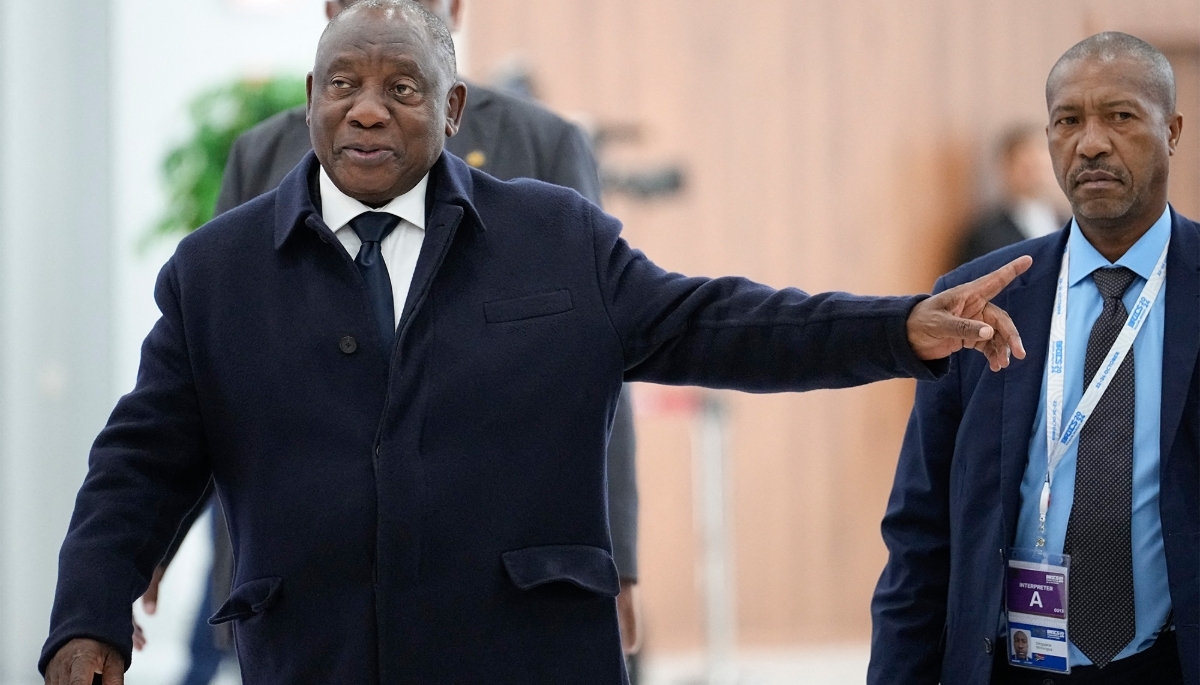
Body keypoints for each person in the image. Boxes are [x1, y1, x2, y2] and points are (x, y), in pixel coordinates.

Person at [41, 2, 1031, 683]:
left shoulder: (556, 234)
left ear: (455, 105)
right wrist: (90, 610)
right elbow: (144, 454)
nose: (369, 107)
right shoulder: (218, 269)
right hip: (314, 654)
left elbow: (716, 321)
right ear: (311, 97)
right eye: (343, 83)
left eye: (402, 85)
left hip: (523, 653)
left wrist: (897, 326)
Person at [142, 1, 644, 681]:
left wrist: (613, 553)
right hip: (308, 574)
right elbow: (212, 372)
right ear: (329, 10)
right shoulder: (263, 154)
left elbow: (595, 369)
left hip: (494, 562)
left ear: (456, 11)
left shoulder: (543, 143)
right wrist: (150, 535)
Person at [870, 32, 1196, 685]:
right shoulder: (977, 296)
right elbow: (920, 529)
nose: (1092, 142)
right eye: (1068, 120)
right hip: (1015, 660)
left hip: (1169, 657)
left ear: (1172, 130)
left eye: (1121, 116)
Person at [956, 125, 1068, 267]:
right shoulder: (986, 234)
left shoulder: (1071, 224)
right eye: (1029, 166)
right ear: (1007, 167)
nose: (1038, 174)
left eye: (1043, 165)